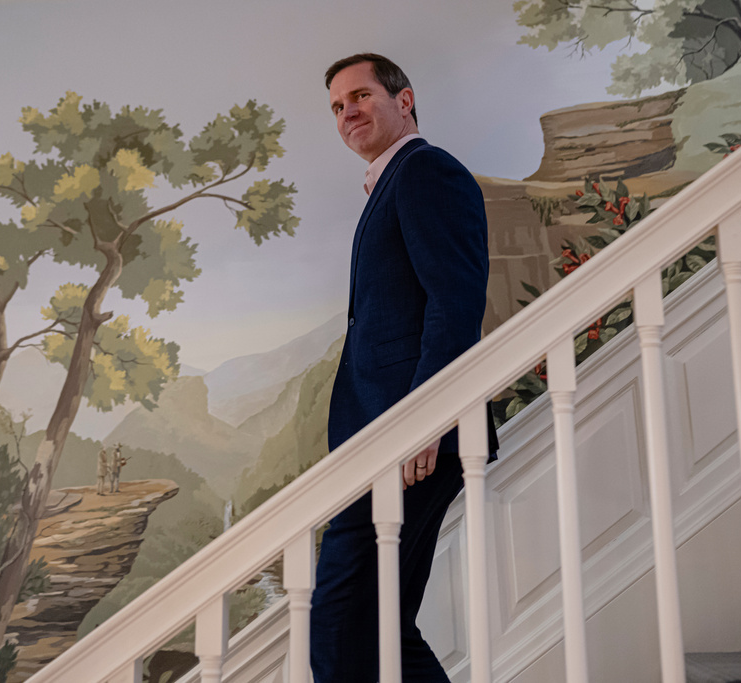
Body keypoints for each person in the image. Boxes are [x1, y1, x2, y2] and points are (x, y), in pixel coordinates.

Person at [310, 53, 494, 682]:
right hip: (387, 438)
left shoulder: (424, 170)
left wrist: (424, 420)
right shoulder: (390, 183)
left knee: (340, 621)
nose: (347, 112)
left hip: (410, 440)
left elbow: (454, 302)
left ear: (404, 99)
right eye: (337, 107)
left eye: (360, 96)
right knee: (378, 626)